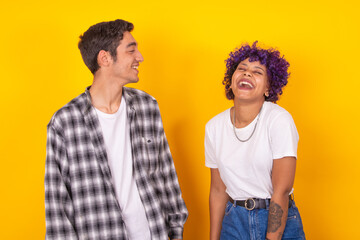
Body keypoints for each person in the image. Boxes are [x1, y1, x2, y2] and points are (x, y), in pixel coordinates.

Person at [45, 19, 188, 240]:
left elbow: (165, 175)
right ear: (105, 58)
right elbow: (57, 203)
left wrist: (176, 232)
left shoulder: (147, 107)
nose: (140, 57)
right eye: (131, 51)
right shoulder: (65, 122)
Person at [205, 42, 305, 240]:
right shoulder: (214, 127)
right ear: (231, 81)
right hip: (234, 220)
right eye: (241, 69)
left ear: (268, 87)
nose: (247, 73)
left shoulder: (278, 120)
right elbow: (217, 191)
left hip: (275, 218)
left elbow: (282, 190)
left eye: (257, 72)